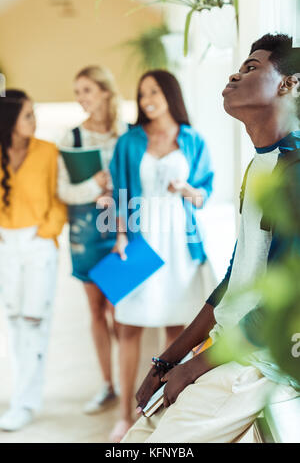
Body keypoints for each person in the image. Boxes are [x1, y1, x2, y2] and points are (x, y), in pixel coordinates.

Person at [121, 34, 300, 444]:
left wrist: (191, 369)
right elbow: (235, 280)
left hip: (260, 358)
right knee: (136, 436)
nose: (235, 74)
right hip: (228, 344)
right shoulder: (261, 164)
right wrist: (168, 360)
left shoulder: (295, 172)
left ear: (291, 84)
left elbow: (281, 301)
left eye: (252, 67)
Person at [109, 69, 215, 441]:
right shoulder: (129, 142)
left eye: (153, 91)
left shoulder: (193, 139)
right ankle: (124, 416)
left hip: (180, 246)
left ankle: (165, 414)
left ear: (171, 93)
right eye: (141, 94)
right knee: (128, 328)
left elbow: (203, 196)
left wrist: (186, 187)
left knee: (176, 333)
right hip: (140, 242)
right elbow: (118, 194)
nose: (147, 99)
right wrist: (119, 235)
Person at [58, 66, 127, 414]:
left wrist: (113, 189)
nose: (81, 98)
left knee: (122, 311)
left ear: (104, 91)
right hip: (85, 234)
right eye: (77, 92)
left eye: (86, 90)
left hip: (120, 231)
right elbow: (64, 191)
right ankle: (107, 384)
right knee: (96, 310)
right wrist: (95, 185)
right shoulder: (72, 138)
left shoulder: (127, 134)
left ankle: (130, 378)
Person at [0, 90, 66, 431]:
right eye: (27, 115)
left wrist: (46, 230)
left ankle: (25, 402)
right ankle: (21, 396)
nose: (34, 120)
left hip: (39, 243)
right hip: (5, 244)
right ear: (10, 120)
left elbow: (60, 197)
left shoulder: (48, 151)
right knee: (13, 324)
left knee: (33, 322)